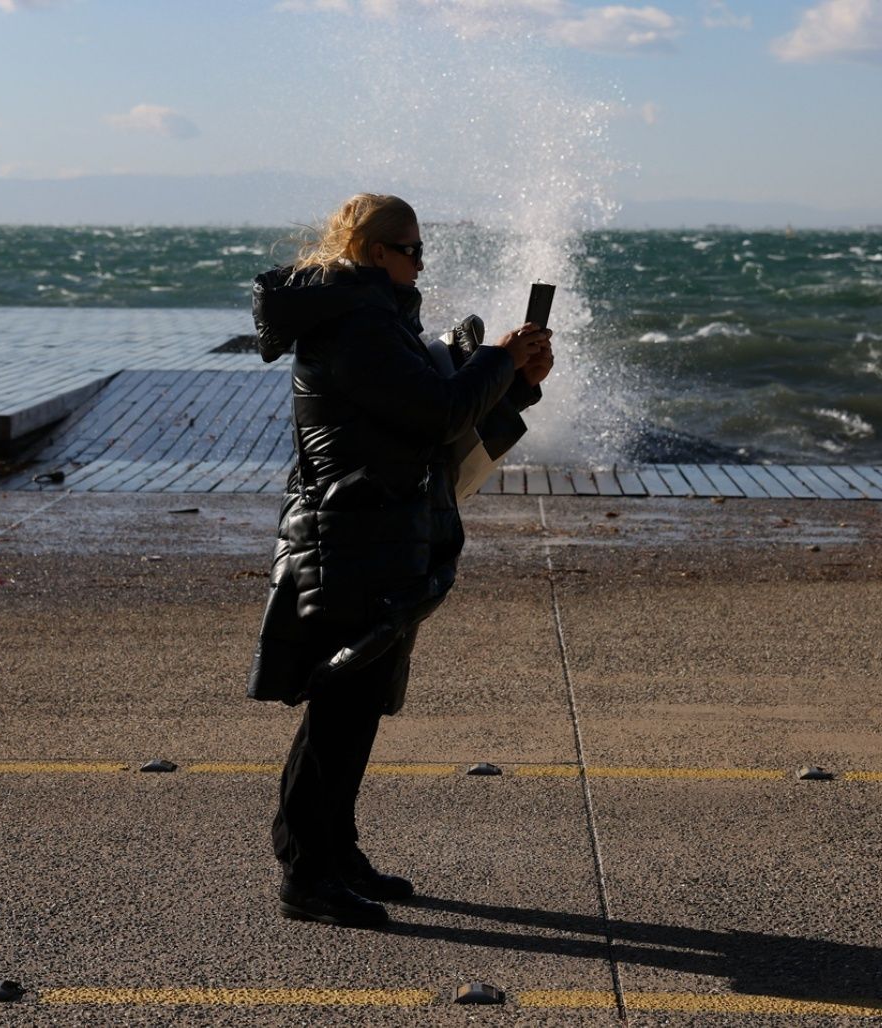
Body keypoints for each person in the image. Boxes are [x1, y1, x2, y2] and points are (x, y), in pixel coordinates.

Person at [245, 193, 553, 928]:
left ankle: (330, 850)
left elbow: (427, 419)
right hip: (350, 532)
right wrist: (498, 358)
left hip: (373, 528)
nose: (420, 262)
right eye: (411, 250)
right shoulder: (357, 323)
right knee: (342, 706)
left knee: (354, 703)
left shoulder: (372, 317)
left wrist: (518, 381)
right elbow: (438, 413)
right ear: (376, 252)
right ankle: (308, 876)